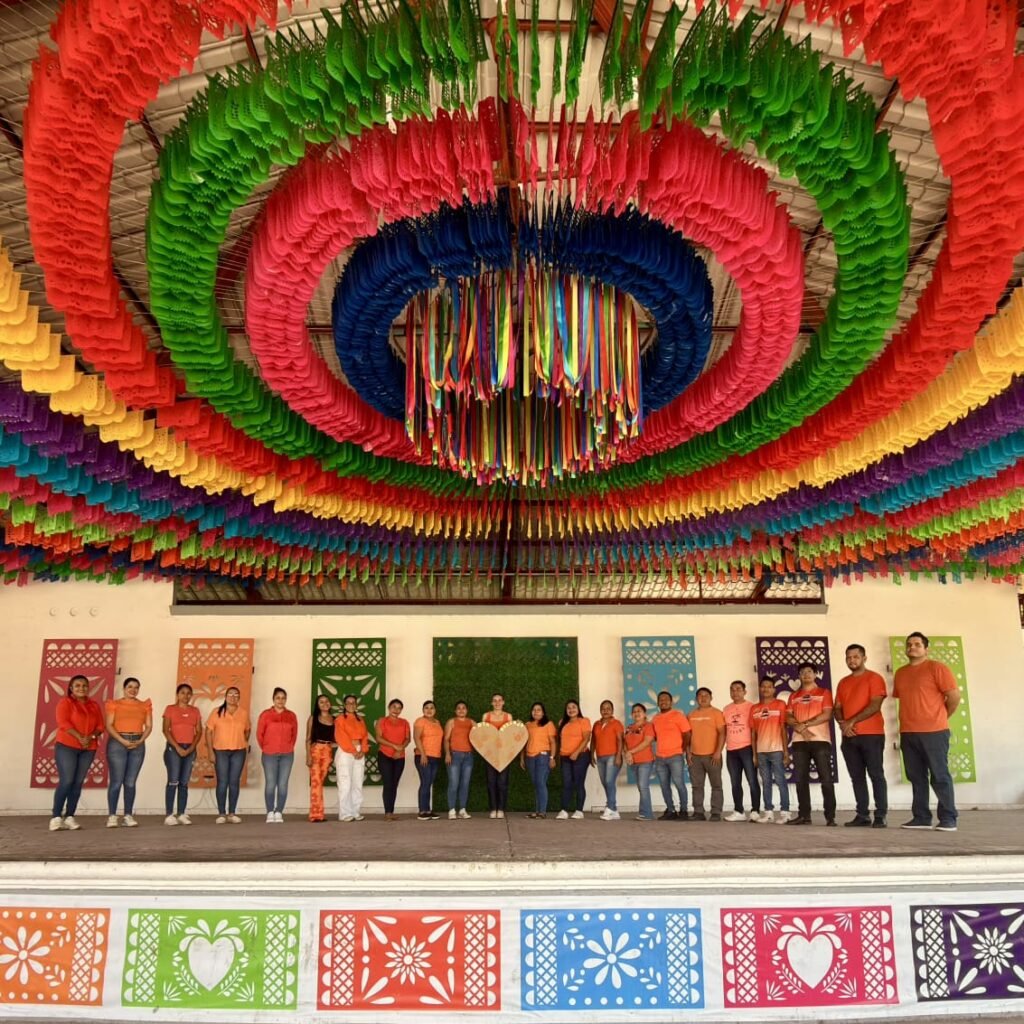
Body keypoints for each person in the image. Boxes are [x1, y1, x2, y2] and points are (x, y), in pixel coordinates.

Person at [893, 631, 961, 832]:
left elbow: (954, 696)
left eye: (917, 644)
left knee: (940, 775)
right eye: (909, 644)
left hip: (934, 732)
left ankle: (948, 818)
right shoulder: (901, 673)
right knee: (916, 777)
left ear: (926, 649)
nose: (912, 647)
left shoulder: (937, 668)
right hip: (908, 732)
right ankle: (921, 817)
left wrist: (941, 717)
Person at [834, 644, 889, 828]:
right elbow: (837, 708)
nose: (852, 660)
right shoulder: (843, 682)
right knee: (857, 777)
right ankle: (862, 815)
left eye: (856, 657)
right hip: (849, 737)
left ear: (864, 658)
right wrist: (843, 724)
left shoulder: (874, 678)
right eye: (848, 657)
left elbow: (875, 705)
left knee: (876, 775)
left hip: (872, 735)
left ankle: (880, 815)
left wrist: (851, 722)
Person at [50, 675, 104, 831]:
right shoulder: (65, 703)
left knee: (78, 782)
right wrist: (80, 737)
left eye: (84, 685)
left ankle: (70, 817)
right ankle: (56, 817)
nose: (82, 688)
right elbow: (63, 723)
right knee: (67, 781)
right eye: (78, 685)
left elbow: (100, 726)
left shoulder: (94, 705)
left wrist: (91, 737)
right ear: (71, 688)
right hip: (67, 746)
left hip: (88, 748)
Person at [786, 663, 836, 826]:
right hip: (799, 741)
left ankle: (830, 817)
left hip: (820, 740)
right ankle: (804, 816)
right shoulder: (794, 696)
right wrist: (801, 729)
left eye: (809, 671)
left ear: (815, 674)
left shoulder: (824, 693)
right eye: (802, 672)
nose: (806, 675)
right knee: (800, 780)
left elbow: (827, 714)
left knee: (826, 779)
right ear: (799, 676)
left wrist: (804, 725)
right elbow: (788, 716)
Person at [104, 677, 152, 828]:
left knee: (130, 782)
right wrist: (122, 740)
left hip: (138, 743)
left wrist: (140, 740)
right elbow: (109, 725)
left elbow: (149, 726)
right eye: (130, 686)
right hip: (118, 742)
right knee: (116, 781)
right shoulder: (114, 704)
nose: (133, 690)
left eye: (136, 687)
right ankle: (112, 815)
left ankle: (128, 815)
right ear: (124, 688)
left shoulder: (144, 705)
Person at [206, 686, 250, 824]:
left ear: (239, 698)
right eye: (230, 694)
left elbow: (247, 730)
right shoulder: (216, 712)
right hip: (220, 751)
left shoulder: (243, 713)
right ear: (225, 697)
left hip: (238, 751)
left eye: (236, 695)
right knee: (222, 782)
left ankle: (232, 813)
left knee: (234, 782)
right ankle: (221, 813)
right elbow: (208, 731)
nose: (233, 697)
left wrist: (242, 741)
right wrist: (210, 751)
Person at [751, 677, 792, 823]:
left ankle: (785, 812)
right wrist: (754, 754)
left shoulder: (780, 704)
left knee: (781, 781)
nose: (766, 689)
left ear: (774, 689)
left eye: (769, 686)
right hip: (761, 751)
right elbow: (753, 733)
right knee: (766, 782)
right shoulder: (754, 708)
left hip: (776, 749)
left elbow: (783, 729)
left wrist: (786, 752)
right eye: (763, 686)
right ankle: (768, 812)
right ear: (760, 689)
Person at [162, 683, 202, 826]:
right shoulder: (170, 709)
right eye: (182, 693)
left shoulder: (195, 711)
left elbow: (199, 731)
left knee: (184, 783)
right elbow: (165, 730)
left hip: (189, 748)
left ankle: (181, 813)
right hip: (174, 748)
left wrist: (191, 747)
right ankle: (169, 814)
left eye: (188, 693)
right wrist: (177, 747)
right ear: (177, 695)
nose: (186, 696)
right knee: (173, 781)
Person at [257, 687, 298, 824]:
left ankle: (279, 811)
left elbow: (294, 735)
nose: (280, 700)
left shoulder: (291, 716)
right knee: (270, 784)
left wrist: (288, 747)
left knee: (283, 784)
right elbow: (260, 734)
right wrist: (267, 747)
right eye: (278, 698)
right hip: (269, 754)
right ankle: (270, 811)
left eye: (283, 698)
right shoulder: (265, 715)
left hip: (287, 755)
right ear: (273, 699)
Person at [723, 681, 761, 823]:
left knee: (752, 780)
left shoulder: (751, 707)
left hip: (747, 748)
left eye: (738, 689)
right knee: (735, 782)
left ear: (745, 692)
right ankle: (739, 811)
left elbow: (755, 730)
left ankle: (755, 811)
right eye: (732, 690)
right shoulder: (726, 709)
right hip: (731, 750)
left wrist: (755, 752)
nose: (735, 692)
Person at [652, 690, 691, 821]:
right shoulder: (655, 719)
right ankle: (671, 810)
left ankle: (684, 810)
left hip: (675, 756)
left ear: (671, 702)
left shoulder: (678, 715)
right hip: (660, 758)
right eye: (661, 699)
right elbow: (655, 737)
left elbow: (687, 734)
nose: (663, 701)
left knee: (679, 783)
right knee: (664, 786)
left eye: (666, 699)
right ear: (658, 703)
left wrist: (682, 749)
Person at [687, 687, 725, 821]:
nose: (703, 698)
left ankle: (716, 812)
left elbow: (722, 733)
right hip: (695, 756)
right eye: (700, 695)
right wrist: (688, 752)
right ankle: (698, 812)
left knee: (716, 785)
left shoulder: (717, 713)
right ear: (696, 698)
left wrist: (718, 752)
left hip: (712, 756)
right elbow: (688, 736)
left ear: (711, 697)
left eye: (706, 695)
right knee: (697, 786)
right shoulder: (691, 715)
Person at [334, 694, 370, 822]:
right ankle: (345, 813)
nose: (351, 705)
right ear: (344, 705)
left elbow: (365, 736)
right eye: (348, 703)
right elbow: (341, 737)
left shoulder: (360, 719)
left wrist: (363, 750)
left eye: (353, 702)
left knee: (357, 782)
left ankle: (355, 811)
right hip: (345, 752)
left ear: (356, 705)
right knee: (345, 783)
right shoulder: (339, 719)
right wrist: (353, 751)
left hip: (359, 751)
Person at [376, 698, 411, 821]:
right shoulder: (382, 721)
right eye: (394, 707)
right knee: (388, 783)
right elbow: (378, 738)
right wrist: (394, 746)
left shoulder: (405, 722)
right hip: (385, 755)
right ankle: (387, 813)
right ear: (389, 707)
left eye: (399, 708)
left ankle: (391, 811)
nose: (396, 710)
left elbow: (407, 739)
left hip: (399, 757)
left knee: (394, 784)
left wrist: (400, 749)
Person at [520, 702, 557, 818]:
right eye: (534, 710)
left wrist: (552, 758)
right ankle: (537, 811)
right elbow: (522, 743)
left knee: (540, 783)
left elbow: (553, 742)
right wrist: (522, 758)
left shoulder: (548, 724)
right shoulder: (527, 725)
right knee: (536, 784)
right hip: (530, 757)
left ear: (543, 712)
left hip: (543, 756)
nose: (536, 712)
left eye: (539, 710)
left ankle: (542, 812)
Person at [556, 700, 592, 819]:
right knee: (566, 783)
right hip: (565, 757)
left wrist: (576, 752)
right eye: (568, 708)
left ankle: (579, 810)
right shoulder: (562, 722)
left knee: (578, 783)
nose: (571, 710)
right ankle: (564, 810)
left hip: (581, 756)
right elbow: (560, 741)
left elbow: (586, 738)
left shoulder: (584, 721)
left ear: (578, 709)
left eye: (573, 707)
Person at [481, 693, 513, 819]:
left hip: (505, 755)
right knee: (491, 782)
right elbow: (482, 734)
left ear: (503, 702)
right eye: (495, 700)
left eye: (499, 700)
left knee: (502, 782)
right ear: (491, 703)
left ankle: (501, 809)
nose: (497, 703)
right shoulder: (486, 716)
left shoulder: (508, 716)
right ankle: (493, 808)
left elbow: (511, 735)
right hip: (489, 755)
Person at [591, 700, 624, 820]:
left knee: (609, 782)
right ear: (600, 711)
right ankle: (614, 810)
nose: (606, 711)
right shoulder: (596, 724)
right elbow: (593, 740)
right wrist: (591, 755)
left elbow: (620, 740)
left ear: (612, 710)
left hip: (613, 756)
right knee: (605, 783)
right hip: (600, 757)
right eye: (603, 709)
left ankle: (609, 807)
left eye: (608, 708)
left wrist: (618, 756)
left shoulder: (616, 723)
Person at [305, 694, 335, 822]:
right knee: (316, 782)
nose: (324, 704)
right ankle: (315, 815)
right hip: (316, 750)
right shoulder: (313, 718)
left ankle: (318, 812)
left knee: (320, 782)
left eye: (326, 701)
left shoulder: (334, 719)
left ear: (330, 703)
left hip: (327, 751)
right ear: (317, 705)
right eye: (321, 702)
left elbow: (337, 738)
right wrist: (308, 755)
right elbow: (308, 739)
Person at [623, 703, 656, 820]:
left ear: (644, 714)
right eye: (634, 711)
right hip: (633, 762)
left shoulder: (648, 726)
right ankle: (644, 812)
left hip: (645, 761)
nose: (636, 713)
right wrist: (627, 754)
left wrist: (630, 752)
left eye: (639, 711)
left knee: (643, 786)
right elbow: (624, 743)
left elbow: (647, 742)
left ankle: (647, 814)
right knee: (641, 787)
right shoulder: (629, 727)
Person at [443, 701, 475, 820]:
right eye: (458, 708)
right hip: (454, 755)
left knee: (465, 784)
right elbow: (446, 739)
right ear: (455, 710)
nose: (461, 710)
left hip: (468, 756)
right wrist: (447, 754)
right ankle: (452, 810)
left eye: (463, 708)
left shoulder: (472, 722)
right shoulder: (451, 722)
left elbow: (481, 734)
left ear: (467, 710)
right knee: (454, 783)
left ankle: (462, 810)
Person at [413, 701, 444, 820]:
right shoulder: (420, 721)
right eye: (426, 708)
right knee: (425, 782)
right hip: (423, 756)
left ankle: (428, 810)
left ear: (435, 710)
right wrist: (423, 754)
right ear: (423, 710)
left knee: (428, 783)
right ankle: (422, 811)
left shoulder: (437, 722)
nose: (429, 710)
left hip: (435, 757)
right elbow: (416, 738)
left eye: (432, 708)